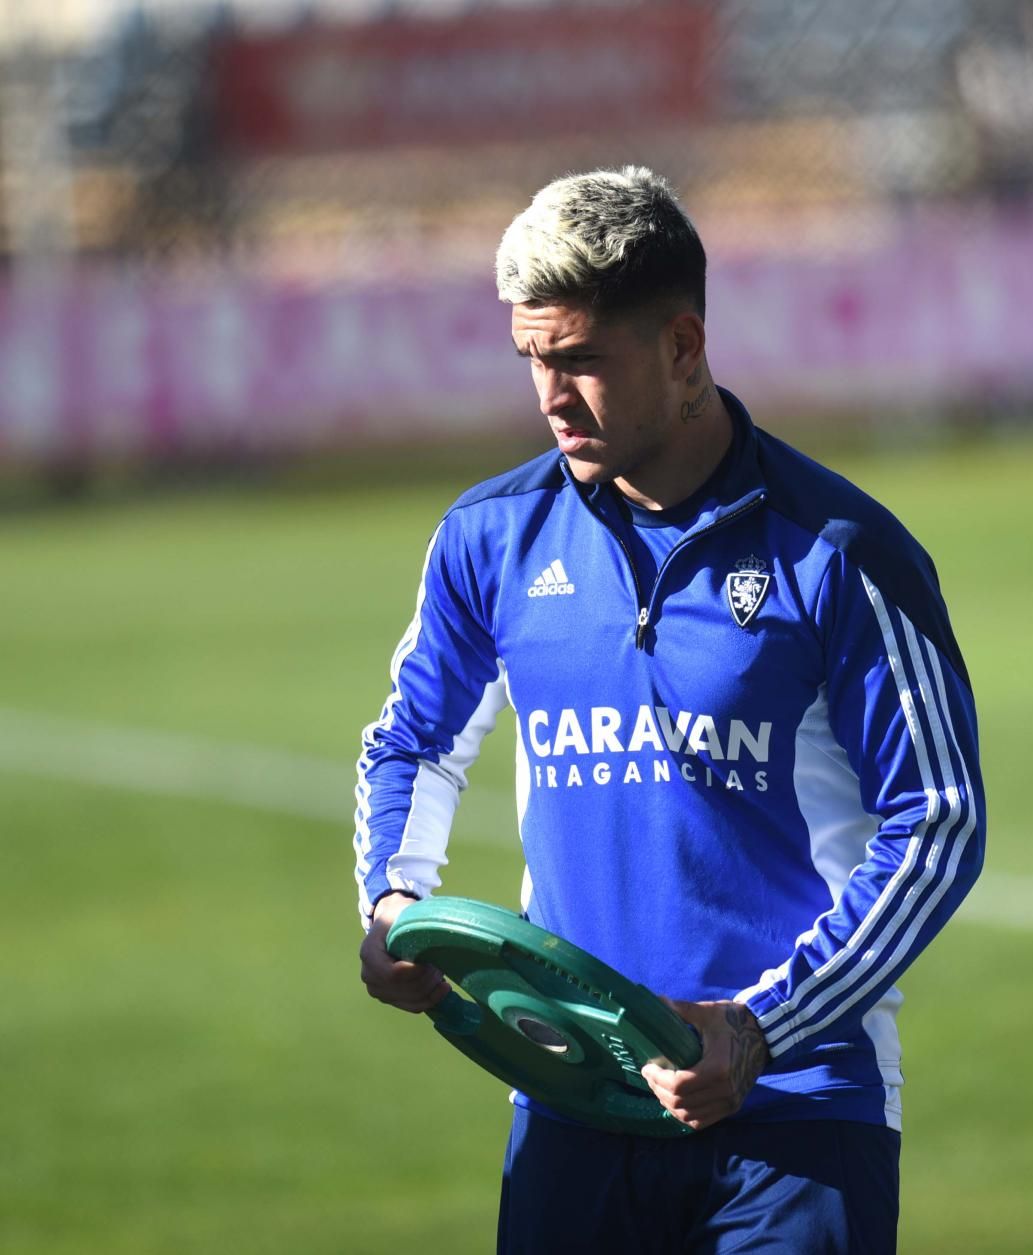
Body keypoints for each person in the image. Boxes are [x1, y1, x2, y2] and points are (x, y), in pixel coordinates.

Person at [355, 166, 985, 1253]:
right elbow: (414, 737)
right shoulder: (489, 538)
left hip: (798, 1116)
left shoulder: (839, 553)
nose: (551, 395)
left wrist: (759, 1028)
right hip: (569, 1095)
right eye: (534, 361)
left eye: (582, 360)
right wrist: (391, 901)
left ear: (685, 349)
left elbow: (937, 818)